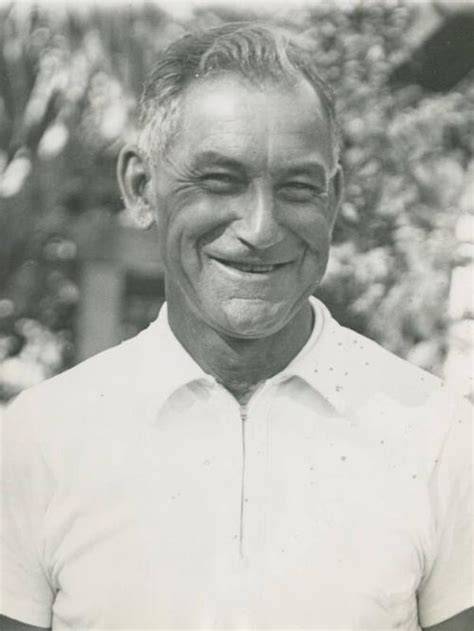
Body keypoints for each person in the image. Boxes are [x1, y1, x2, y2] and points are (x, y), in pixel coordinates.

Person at [1, 23, 472, 631]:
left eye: (297, 188)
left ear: (333, 200)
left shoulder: (437, 436)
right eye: (220, 180)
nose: (261, 227)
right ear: (142, 188)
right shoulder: (40, 440)